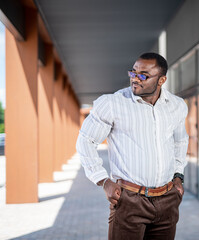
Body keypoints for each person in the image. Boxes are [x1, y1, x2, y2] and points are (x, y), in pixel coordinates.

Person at [76, 52, 189, 240]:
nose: (135, 79)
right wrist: (103, 180)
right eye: (133, 72)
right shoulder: (113, 103)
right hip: (129, 200)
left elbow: (180, 141)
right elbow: (85, 141)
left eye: (143, 75)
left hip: (167, 199)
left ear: (162, 80)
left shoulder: (176, 105)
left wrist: (178, 176)